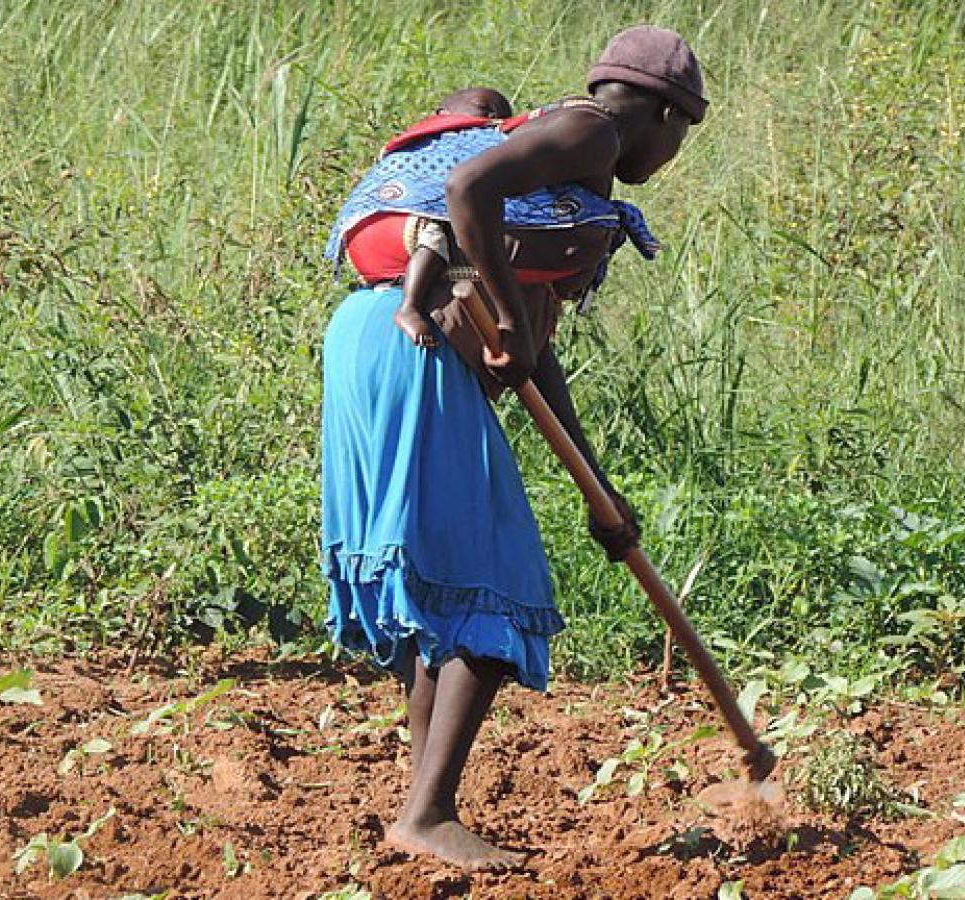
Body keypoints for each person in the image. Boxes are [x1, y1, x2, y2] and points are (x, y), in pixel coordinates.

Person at [320, 26, 707, 870]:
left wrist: (601, 497)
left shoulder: (558, 187)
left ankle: (423, 810)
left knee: (441, 582)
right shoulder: (592, 132)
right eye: (685, 133)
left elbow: (535, 355)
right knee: (496, 579)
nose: (673, 154)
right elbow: (467, 187)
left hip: (365, 339)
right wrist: (503, 310)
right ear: (663, 112)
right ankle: (428, 814)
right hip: (410, 350)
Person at [394, 88, 514, 349]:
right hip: (423, 215)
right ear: (442, 113)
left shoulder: (421, 141)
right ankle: (410, 305)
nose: (494, 118)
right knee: (436, 235)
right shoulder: (450, 142)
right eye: (485, 108)